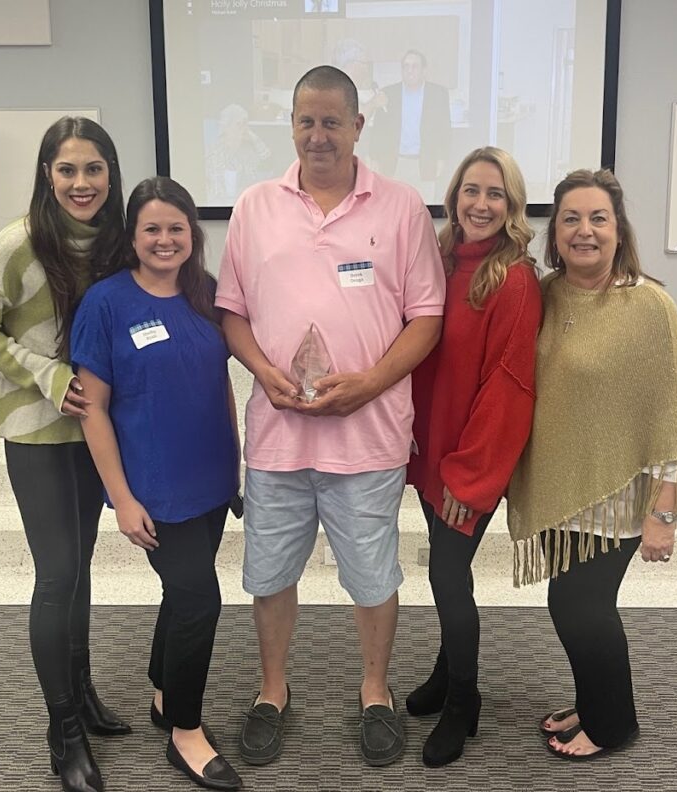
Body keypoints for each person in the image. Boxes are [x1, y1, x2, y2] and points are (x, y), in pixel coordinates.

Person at [215, 65, 446, 768]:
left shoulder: (401, 207)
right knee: (269, 574)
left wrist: (370, 383)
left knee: (373, 575)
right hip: (279, 435)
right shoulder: (254, 205)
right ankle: (272, 689)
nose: (319, 135)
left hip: (368, 437)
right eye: (306, 121)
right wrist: (263, 372)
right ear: (291, 125)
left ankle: (374, 690)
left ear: (357, 126)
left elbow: (426, 317)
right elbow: (233, 311)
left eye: (332, 122)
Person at [506, 168, 677, 760]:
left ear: (619, 230)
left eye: (598, 218)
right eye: (571, 218)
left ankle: (614, 723)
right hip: (562, 485)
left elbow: (673, 414)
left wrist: (664, 511)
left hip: (620, 495)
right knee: (575, 607)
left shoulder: (649, 306)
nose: (584, 231)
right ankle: (591, 703)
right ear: (554, 232)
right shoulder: (545, 295)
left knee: (578, 607)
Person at [0, 116, 129, 792]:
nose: (80, 183)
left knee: (79, 566)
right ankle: (62, 728)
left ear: (110, 175)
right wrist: (47, 374)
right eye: (67, 170)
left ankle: (81, 693)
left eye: (92, 169)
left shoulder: (115, 244)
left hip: (95, 432)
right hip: (37, 430)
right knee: (57, 574)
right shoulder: (18, 243)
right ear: (47, 175)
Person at [70, 177, 243, 791]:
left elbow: (219, 381)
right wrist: (121, 498)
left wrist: (237, 461)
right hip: (156, 485)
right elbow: (92, 407)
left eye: (176, 228)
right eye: (152, 229)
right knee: (200, 597)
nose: (165, 239)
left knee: (182, 591)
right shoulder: (107, 303)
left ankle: (164, 694)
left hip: (212, 476)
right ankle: (186, 732)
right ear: (133, 236)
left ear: (192, 235)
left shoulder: (206, 294)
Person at [404, 147, 542, 767]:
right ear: (454, 196)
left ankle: (464, 701)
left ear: (511, 207)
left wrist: (472, 471)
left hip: (470, 458)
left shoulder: (512, 278)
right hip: (432, 445)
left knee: (447, 575)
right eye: (471, 191)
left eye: (495, 194)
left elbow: (509, 387)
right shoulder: (438, 259)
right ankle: (444, 673)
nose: (481, 205)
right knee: (442, 566)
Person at [370, 50, 452, 201]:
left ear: (424, 70)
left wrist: (442, 159)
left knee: (424, 208)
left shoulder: (438, 94)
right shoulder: (388, 93)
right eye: (406, 66)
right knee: (393, 208)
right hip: (395, 164)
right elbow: (378, 130)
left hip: (426, 162)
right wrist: (375, 158)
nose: (410, 70)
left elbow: (444, 129)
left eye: (415, 66)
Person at [205, 104, 271, 204]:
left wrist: (253, 137)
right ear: (226, 127)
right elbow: (217, 192)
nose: (244, 129)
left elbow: (266, 159)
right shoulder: (215, 152)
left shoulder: (247, 150)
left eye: (246, 124)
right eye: (239, 124)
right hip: (221, 211)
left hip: (247, 206)